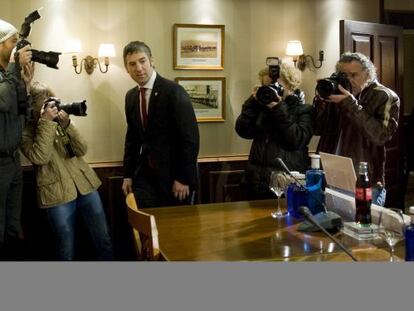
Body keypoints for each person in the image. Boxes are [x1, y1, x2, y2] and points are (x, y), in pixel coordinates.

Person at [20, 82, 113, 260]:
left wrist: (68, 125)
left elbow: (82, 149)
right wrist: (46, 123)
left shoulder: (60, 122)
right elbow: (40, 158)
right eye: (46, 105)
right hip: (56, 196)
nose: (54, 109)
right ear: (36, 107)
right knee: (65, 249)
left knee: (104, 240)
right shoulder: (26, 132)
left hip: (85, 186)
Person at [313, 52, 400, 206]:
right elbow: (317, 129)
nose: (349, 80)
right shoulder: (336, 93)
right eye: (344, 75)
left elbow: (381, 136)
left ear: (368, 74)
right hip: (330, 175)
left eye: (354, 75)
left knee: (364, 226)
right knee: (328, 227)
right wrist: (321, 102)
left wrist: (350, 104)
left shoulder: (385, 96)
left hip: (365, 180)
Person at [122, 41, 200, 208]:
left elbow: (190, 138)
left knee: (175, 229)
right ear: (126, 68)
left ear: (152, 61)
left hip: (175, 177)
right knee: (147, 226)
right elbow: (132, 139)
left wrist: (183, 178)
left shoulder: (174, 91)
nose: (139, 68)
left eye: (142, 61)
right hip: (146, 176)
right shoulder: (131, 96)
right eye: (132, 64)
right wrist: (127, 175)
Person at [235, 63, 314, 200]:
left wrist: (279, 109)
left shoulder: (304, 110)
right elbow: (243, 131)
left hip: (286, 184)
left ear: (290, 86)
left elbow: (296, 140)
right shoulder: (261, 108)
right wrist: (252, 103)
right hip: (255, 183)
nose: (272, 90)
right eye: (267, 86)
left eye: (276, 86)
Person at [0, 18, 33, 259]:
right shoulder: (6, 76)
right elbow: (3, 102)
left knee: (14, 225)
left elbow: (24, 114)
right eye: (14, 42)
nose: (18, 48)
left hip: (14, 160)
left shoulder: (10, 76)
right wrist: (13, 67)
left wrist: (27, 85)